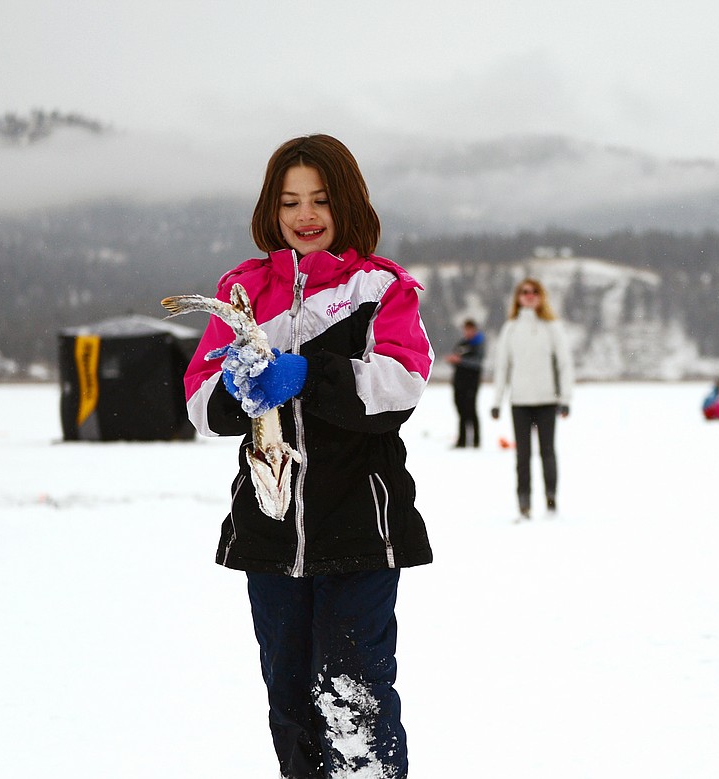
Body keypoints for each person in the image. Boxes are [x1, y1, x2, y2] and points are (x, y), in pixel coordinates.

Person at [182, 135, 433, 779]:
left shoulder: (378, 286)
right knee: (291, 705)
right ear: (272, 208)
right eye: (290, 200)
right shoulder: (240, 291)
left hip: (359, 526)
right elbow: (201, 405)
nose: (305, 214)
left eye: (320, 199)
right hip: (270, 529)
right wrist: (239, 385)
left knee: (354, 699)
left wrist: (308, 374)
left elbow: (401, 385)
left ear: (346, 202)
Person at [490, 278, 574, 519]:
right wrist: (497, 402)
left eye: (534, 292)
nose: (529, 295)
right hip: (520, 402)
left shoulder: (552, 327)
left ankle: (551, 497)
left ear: (541, 296)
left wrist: (565, 398)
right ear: (518, 297)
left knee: (548, 452)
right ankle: (523, 501)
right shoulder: (511, 328)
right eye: (524, 292)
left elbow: (564, 365)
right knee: (522, 455)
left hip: (548, 401)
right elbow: (502, 368)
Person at [444, 319, 485, 447]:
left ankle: (476, 441)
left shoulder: (479, 344)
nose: (467, 332)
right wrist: (453, 361)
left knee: (471, 410)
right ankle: (462, 440)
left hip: (471, 383)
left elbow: (478, 362)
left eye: (469, 329)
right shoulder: (462, 343)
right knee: (461, 410)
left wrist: (460, 360)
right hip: (459, 382)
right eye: (465, 330)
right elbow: (457, 359)